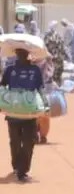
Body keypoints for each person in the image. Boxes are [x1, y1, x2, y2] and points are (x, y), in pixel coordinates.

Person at [1, 49, 44, 182]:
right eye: (19, 54)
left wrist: (44, 106)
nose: (21, 56)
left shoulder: (35, 70)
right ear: (16, 55)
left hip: (29, 112)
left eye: (23, 54)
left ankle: (22, 169)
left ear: (27, 55)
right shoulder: (10, 70)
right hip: (14, 112)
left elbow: (39, 89)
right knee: (15, 141)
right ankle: (17, 167)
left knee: (28, 142)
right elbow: (2, 86)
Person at [43, 21, 67, 85]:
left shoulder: (57, 35)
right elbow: (45, 46)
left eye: (54, 26)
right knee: (51, 73)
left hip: (58, 58)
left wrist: (64, 55)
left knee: (58, 73)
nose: (54, 27)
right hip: (51, 58)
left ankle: (57, 87)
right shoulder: (47, 35)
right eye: (53, 26)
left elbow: (62, 46)